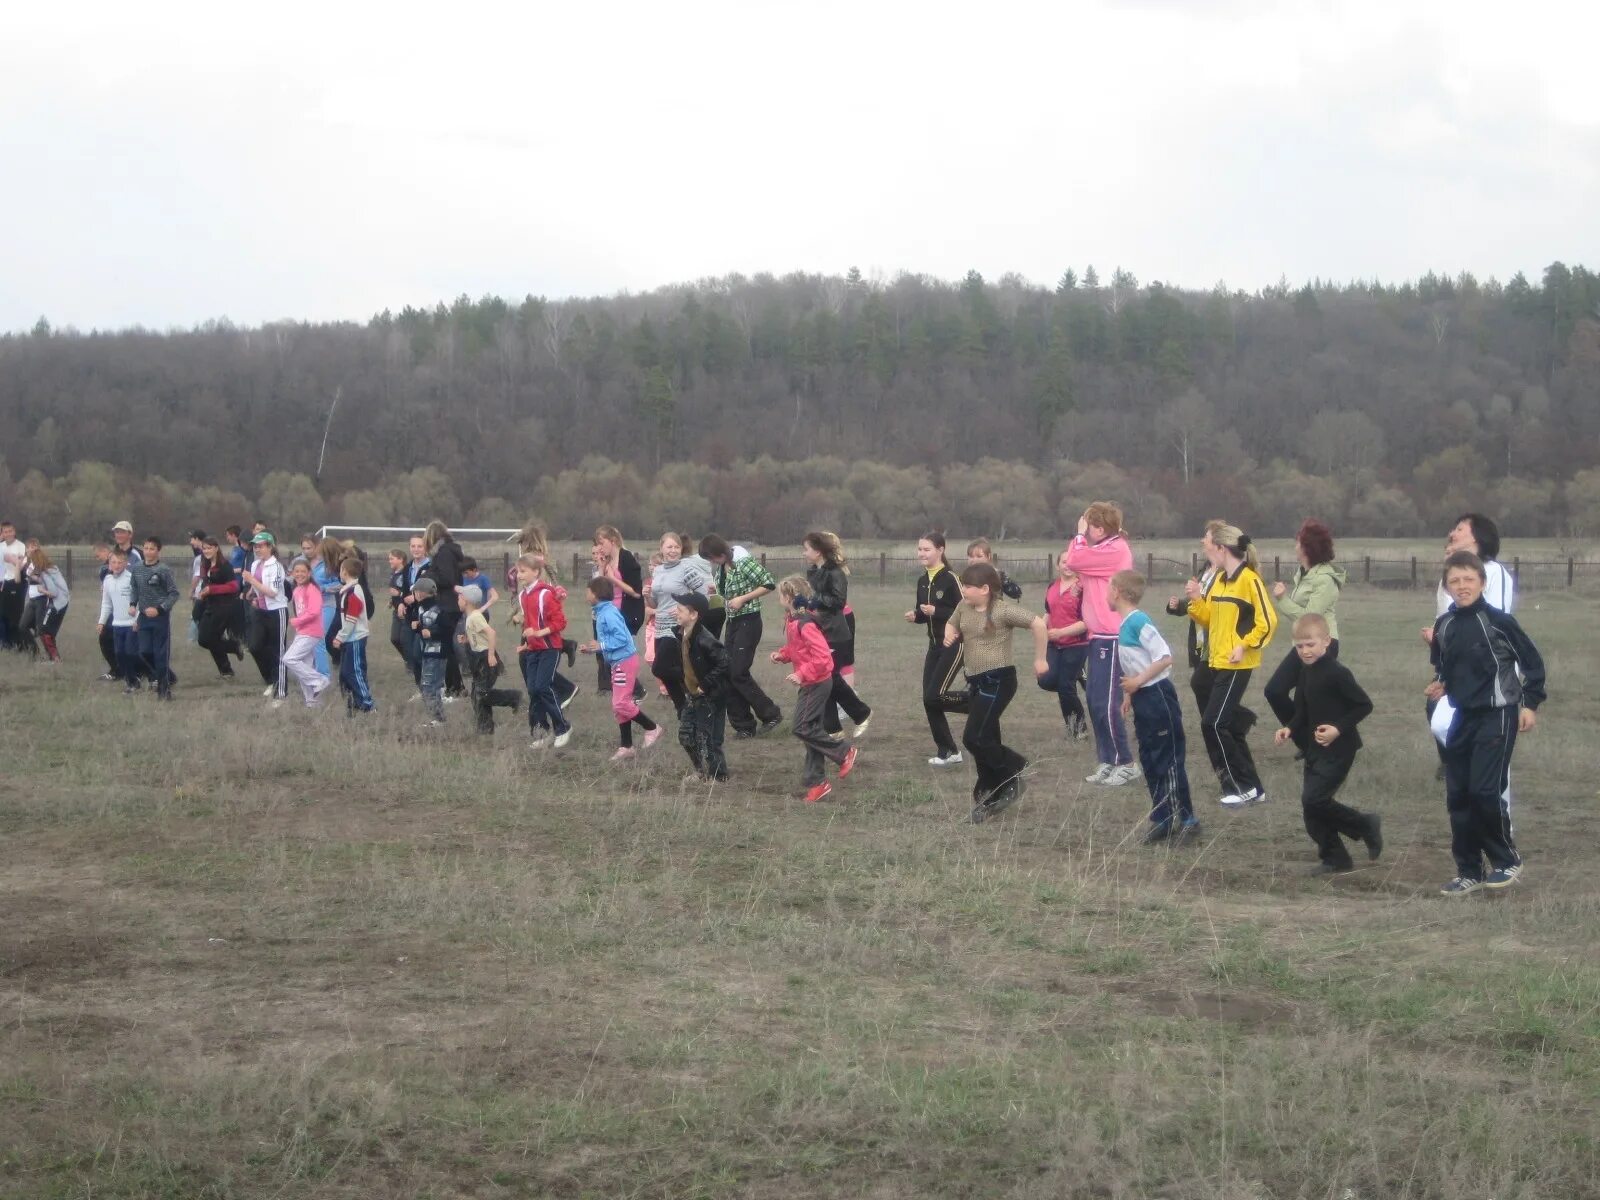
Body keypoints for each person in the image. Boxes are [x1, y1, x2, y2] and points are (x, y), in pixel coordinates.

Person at [1427, 551, 1545, 895]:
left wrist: (1530, 704)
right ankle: (1469, 870)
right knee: (1458, 794)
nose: (1462, 586)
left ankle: (1506, 859)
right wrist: (1441, 683)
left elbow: (1533, 663)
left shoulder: (1500, 623)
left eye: (1468, 579)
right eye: (1455, 581)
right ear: (1447, 587)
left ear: (1482, 581)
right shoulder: (1444, 625)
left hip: (1500, 714)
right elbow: (1445, 665)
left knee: (1483, 790)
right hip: (1462, 716)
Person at [1272, 614, 1381, 875]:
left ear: (1326, 642)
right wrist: (1289, 728)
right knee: (1311, 812)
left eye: (1310, 644)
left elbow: (1364, 705)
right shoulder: (1306, 673)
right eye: (1299, 646)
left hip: (1340, 749)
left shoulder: (1337, 673)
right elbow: (1302, 711)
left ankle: (1365, 824)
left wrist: (1337, 729)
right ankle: (1336, 858)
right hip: (1314, 750)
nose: (1305, 651)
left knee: (1314, 799)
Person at [944, 561, 1049, 824]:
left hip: (999, 681)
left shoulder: (1002, 611)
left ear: (985, 589)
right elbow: (951, 623)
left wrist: (1041, 659)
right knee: (985, 737)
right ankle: (991, 793)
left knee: (974, 737)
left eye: (968, 586)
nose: (964, 590)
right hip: (976, 682)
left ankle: (1014, 768)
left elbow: (1038, 624)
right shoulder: (962, 607)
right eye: (963, 585)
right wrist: (950, 633)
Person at [1182, 523, 1278, 807]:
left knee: (1213, 724)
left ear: (1223, 549)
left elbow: (1268, 621)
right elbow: (1210, 618)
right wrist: (1197, 600)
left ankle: (1241, 786)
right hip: (1216, 661)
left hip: (1237, 665)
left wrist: (1244, 645)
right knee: (1222, 724)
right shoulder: (1222, 579)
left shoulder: (1249, 580)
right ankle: (1253, 788)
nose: (1208, 549)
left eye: (1212, 545)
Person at [1109, 570, 1199, 846]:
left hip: (1158, 697)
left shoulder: (1139, 621)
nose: (1105, 593)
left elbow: (1164, 657)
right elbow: (1135, 663)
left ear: (1118, 592)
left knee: (1167, 760)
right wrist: (1129, 695)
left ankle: (1184, 820)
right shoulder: (1125, 624)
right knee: (1149, 759)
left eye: (1108, 588)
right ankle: (1164, 817)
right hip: (1142, 699)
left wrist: (1137, 681)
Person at [1422, 513, 1515, 777]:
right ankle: (1460, 763)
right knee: (1438, 712)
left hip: (1489, 667)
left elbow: (1496, 620)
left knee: (1458, 716)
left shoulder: (1494, 571)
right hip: (1457, 662)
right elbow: (1446, 614)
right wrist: (1438, 637)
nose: (1453, 532)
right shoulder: (1454, 574)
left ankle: (1478, 768)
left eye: (1460, 528)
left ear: (1476, 537)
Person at [1066, 503, 1138, 785]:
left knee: (1108, 703)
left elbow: (1074, 560)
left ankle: (1126, 761)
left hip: (1113, 635)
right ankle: (1107, 759)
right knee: (1095, 701)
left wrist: (1079, 535)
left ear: (1098, 528)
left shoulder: (1115, 548)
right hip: (1098, 636)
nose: (1084, 529)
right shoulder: (1104, 549)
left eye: (1088, 525)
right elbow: (1084, 569)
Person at [773, 575, 859, 803]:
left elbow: (823, 659)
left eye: (781, 595)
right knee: (810, 730)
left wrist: (801, 673)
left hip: (817, 683)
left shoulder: (805, 623)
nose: (778, 599)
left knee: (801, 727)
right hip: (810, 682)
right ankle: (817, 783)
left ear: (789, 597)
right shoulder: (793, 620)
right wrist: (783, 655)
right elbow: (798, 648)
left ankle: (843, 752)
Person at [699, 534, 783, 738]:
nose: (711, 562)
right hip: (733, 622)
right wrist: (717, 592)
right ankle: (743, 725)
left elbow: (768, 582)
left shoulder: (742, 562)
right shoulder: (721, 569)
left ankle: (770, 713)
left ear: (719, 552)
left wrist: (743, 599)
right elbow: (727, 596)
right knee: (727, 672)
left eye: (711, 557)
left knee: (738, 672)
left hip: (750, 620)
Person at [1264, 519, 1346, 729]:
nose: (1295, 546)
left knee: (1282, 691)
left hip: (1323, 644)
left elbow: (1310, 619)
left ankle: (1314, 738)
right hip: (1304, 643)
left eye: (1298, 542)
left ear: (1307, 547)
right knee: (1284, 694)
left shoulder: (1325, 579)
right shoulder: (1304, 573)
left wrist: (1283, 599)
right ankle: (1307, 738)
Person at [799, 531, 872, 739]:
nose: (804, 553)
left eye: (807, 549)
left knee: (829, 677)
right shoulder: (813, 571)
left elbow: (838, 602)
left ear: (818, 551)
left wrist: (813, 598)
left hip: (835, 632)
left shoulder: (835, 573)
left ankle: (861, 712)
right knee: (823, 678)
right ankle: (833, 729)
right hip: (818, 629)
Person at [579, 576, 660, 759]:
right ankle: (627, 746)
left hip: (624, 662)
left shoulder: (608, 613)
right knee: (619, 706)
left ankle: (652, 727)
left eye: (588, 591)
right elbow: (610, 640)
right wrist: (593, 649)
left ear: (596, 594)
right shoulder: (602, 612)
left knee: (620, 703)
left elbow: (622, 639)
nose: (586, 594)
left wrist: (601, 646)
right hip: (617, 663)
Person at [907, 532, 966, 766]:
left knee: (934, 696)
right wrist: (917, 615)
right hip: (934, 645)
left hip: (954, 644)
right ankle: (949, 751)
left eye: (927, 549)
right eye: (920, 549)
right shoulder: (922, 580)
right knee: (928, 699)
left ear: (940, 550)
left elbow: (965, 612)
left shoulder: (951, 578)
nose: (922, 553)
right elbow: (925, 613)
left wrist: (936, 612)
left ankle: (979, 704)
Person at [648, 531, 715, 714]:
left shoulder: (686, 569)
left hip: (677, 627)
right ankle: (684, 708)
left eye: (677, 547)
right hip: (659, 626)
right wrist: (648, 596)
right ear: (661, 548)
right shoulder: (658, 570)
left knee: (659, 668)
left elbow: (703, 597)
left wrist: (684, 605)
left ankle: (698, 682)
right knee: (664, 670)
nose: (673, 550)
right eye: (669, 547)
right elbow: (655, 603)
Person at [672, 591, 732, 782]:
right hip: (693, 695)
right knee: (685, 735)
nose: (676, 612)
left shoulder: (705, 639)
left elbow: (724, 663)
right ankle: (700, 771)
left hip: (711, 696)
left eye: (680, 610)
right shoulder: (682, 634)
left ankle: (718, 775)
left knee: (709, 739)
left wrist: (705, 685)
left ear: (694, 615)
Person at [516, 552, 571, 749]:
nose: (519, 575)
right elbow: (528, 624)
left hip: (550, 649)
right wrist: (526, 641)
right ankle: (541, 732)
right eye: (517, 572)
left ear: (536, 572)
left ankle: (563, 727)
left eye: (523, 571)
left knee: (543, 687)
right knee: (533, 690)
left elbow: (560, 622)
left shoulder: (546, 594)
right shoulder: (523, 595)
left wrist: (539, 633)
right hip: (532, 650)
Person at [1038, 550, 1090, 743]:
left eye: (1071, 562)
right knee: (1046, 681)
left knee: (1065, 687)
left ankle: (1078, 729)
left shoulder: (1083, 588)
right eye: (1064, 562)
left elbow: (1087, 622)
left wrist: (1061, 632)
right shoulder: (1052, 586)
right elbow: (1048, 612)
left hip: (1077, 644)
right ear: (1058, 565)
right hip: (1054, 644)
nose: (1068, 565)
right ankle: (1076, 675)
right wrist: (1040, 626)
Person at [592, 525, 646, 699]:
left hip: (627, 612)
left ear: (613, 541)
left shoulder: (626, 558)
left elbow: (636, 592)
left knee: (620, 653)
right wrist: (601, 567)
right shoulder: (606, 560)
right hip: (609, 613)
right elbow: (600, 589)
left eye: (602, 543)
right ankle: (627, 690)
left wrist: (613, 579)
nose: (599, 547)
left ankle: (636, 691)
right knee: (609, 656)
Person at [238, 532, 289, 701]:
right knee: (254, 646)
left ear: (270, 547)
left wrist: (251, 581)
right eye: (255, 546)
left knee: (278, 651)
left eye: (260, 546)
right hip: (260, 611)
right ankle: (271, 680)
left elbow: (273, 592)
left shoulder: (276, 567)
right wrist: (251, 594)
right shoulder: (255, 565)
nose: (257, 549)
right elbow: (257, 588)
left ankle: (281, 693)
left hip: (277, 612)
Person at [130, 537, 180, 700]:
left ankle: (164, 689)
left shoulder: (163, 570)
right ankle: (163, 676)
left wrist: (159, 609)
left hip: (160, 618)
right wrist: (133, 604)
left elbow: (174, 593)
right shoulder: (137, 569)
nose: (148, 551)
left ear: (158, 551)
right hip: (143, 617)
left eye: (152, 549)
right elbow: (135, 588)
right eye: (145, 548)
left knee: (160, 653)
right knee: (144, 651)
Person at [422, 520, 467, 698]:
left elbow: (447, 578)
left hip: (448, 604)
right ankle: (454, 686)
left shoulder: (444, 553)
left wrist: (428, 575)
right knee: (447, 647)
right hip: (451, 603)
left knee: (446, 648)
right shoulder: (450, 551)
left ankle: (454, 688)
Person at [279, 558, 331, 708]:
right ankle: (312, 702)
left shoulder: (312, 590)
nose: (299, 574)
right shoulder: (297, 590)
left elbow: (314, 612)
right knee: (305, 666)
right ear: (292, 573)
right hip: (302, 631)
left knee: (289, 658)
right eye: (296, 571)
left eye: (303, 571)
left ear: (309, 573)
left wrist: (297, 621)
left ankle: (319, 680)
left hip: (311, 632)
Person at [332, 556, 376, 715]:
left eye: (341, 569)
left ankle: (368, 705)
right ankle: (354, 704)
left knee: (355, 672)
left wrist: (340, 636)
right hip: (350, 639)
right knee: (345, 672)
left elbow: (351, 619)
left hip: (355, 638)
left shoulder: (353, 591)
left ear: (344, 571)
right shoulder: (347, 590)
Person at [195, 536, 245, 677]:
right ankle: (226, 669)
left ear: (216, 548)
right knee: (209, 639)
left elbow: (233, 586)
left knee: (207, 639)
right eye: (204, 548)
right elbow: (206, 583)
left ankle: (232, 649)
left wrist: (212, 589)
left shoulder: (225, 566)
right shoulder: (204, 565)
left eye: (209, 548)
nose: (206, 551)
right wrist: (203, 592)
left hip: (224, 607)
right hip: (209, 605)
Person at [96, 548, 140, 692]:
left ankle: (134, 681)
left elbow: (139, 601)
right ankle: (130, 680)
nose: (116, 565)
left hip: (131, 624)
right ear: (109, 564)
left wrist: (137, 620)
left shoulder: (131, 579)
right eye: (113, 562)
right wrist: (102, 621)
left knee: (129, 653)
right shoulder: (107, 580)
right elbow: (106, 604)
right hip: (117, 624)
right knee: (119, 654)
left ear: (126, 563)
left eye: (119, 562)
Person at [410, 577, 448, 726]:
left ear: (423, 593)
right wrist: (417, 627)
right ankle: (437, 718)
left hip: (437, 653)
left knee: (430, 686)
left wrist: (431, 632)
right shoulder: (420, 608)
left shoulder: (439, 609)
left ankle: (438, 719)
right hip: (425, 651)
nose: (415, 594)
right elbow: (421, 627)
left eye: (417, 591)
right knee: (428, 685)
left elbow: (445, 629)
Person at [309, 537, 344, 675]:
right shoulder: (317, 564)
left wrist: (322, 588)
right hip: (313, 605)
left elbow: (340, 584)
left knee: (318, 639)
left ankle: (323, 675)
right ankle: (313, 671)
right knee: (311, 639)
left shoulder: (334, 567)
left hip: (327, 605)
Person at [29, 547, 69, 663]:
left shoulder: (45, 573)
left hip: (56, 604)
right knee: (48, 631)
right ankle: (53, 658)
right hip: (63, 602)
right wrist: (37, 579)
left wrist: (42, 590)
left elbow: (53, 593)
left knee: (43, 631)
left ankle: (55, 659)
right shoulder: (53, 569)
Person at [91, 543, 120, 680]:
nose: (98, 558)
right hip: (111, 608)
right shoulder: (104, 569)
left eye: (98, 555)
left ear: (105, 551)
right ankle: (117, 669)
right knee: (106, 637)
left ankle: (119, 670)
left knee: (109, 638)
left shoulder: (117, 564)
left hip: (119, 609)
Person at [0, 520, 28, 646]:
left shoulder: (20, 546)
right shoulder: (1, 547)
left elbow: (21, 565)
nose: (8, 534)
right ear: (2, 534)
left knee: (15, 615)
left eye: (10, 531)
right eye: (5, 532)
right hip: (3, 583)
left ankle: (18, 642)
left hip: (17, 582)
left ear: (14, 532)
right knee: (3, 614)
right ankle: (5, 643)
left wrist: (12, 560)